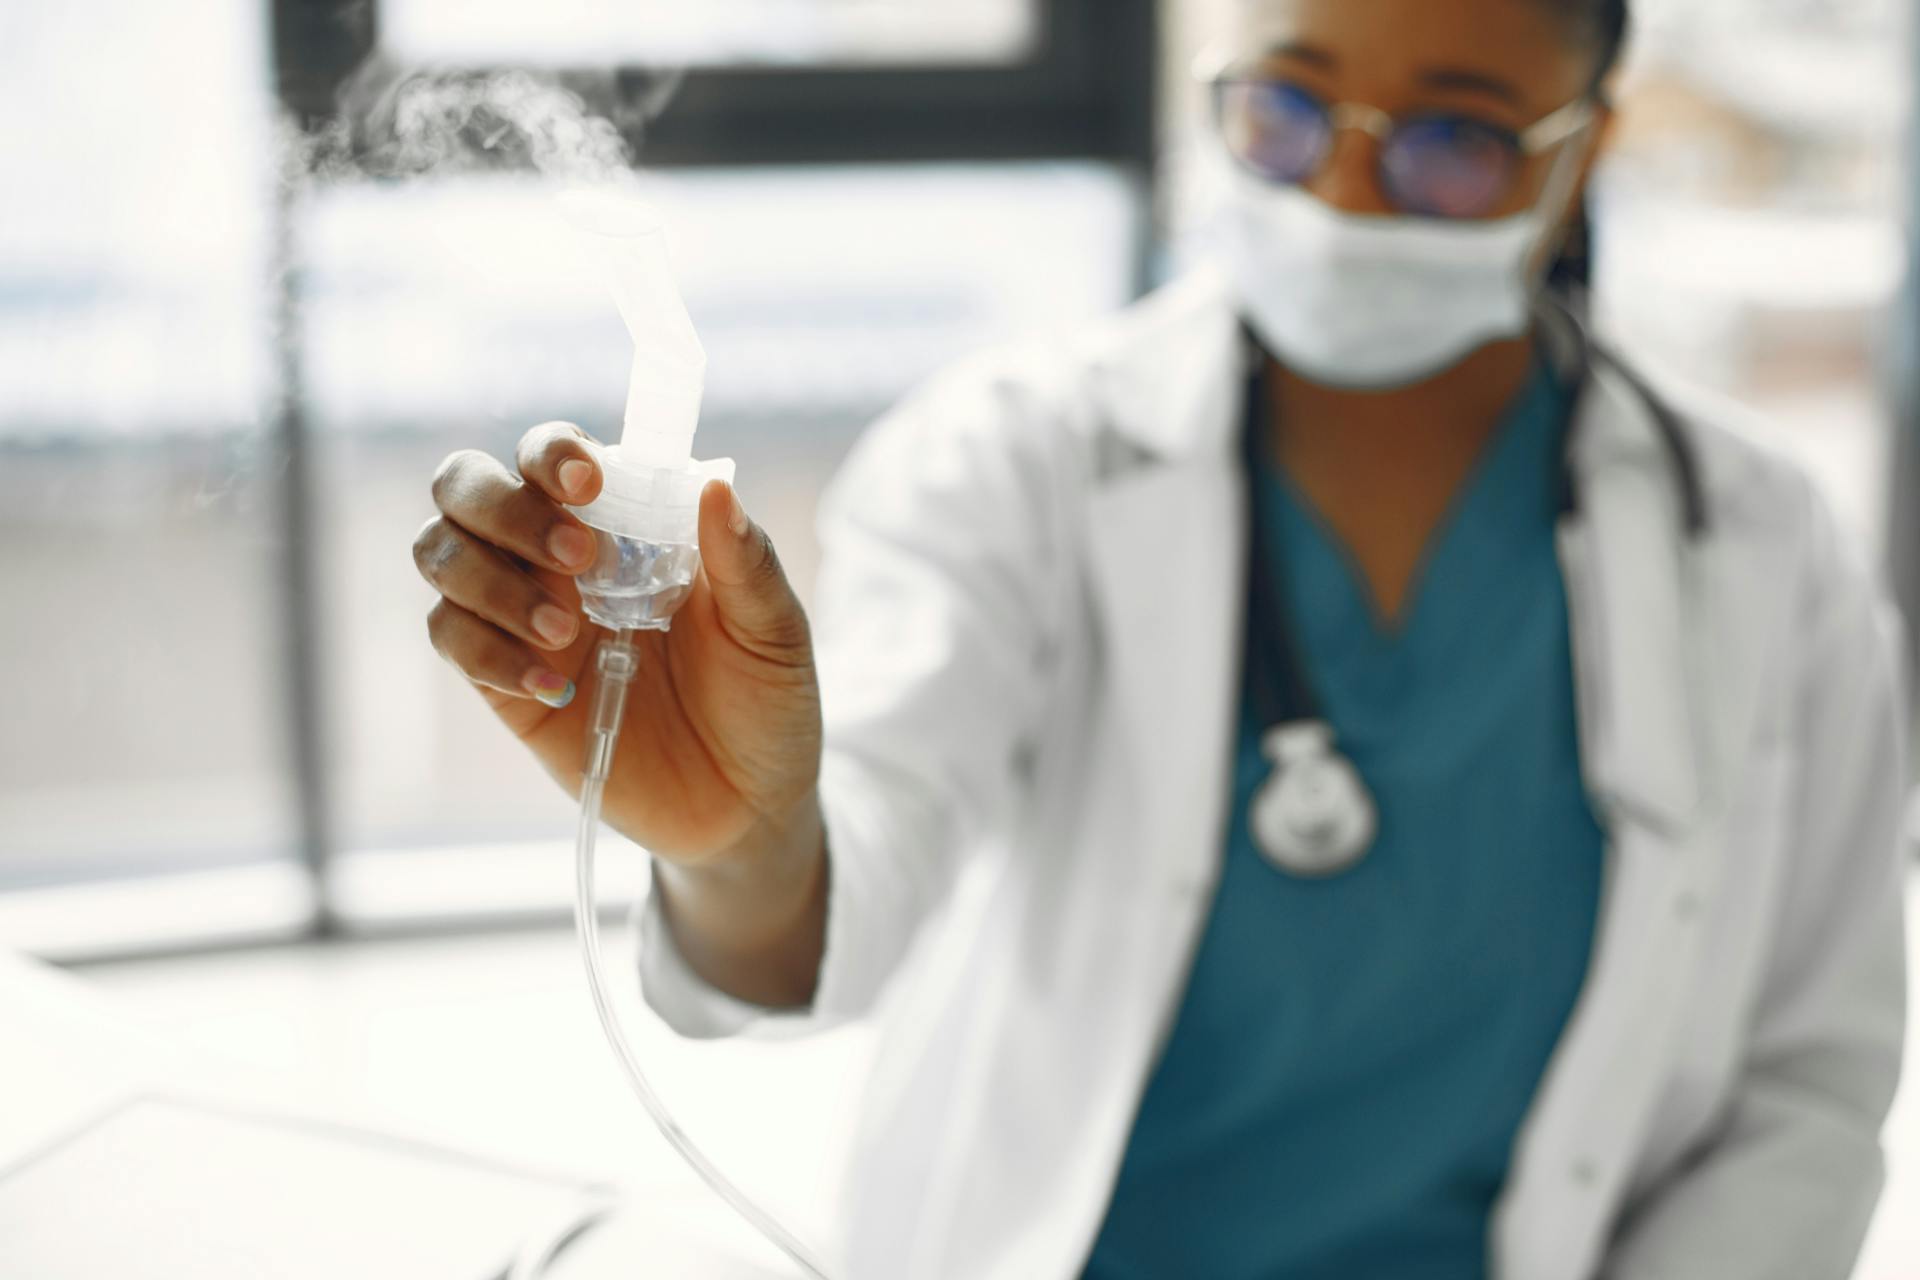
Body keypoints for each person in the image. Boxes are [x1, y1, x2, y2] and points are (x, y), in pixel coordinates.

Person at [410, 0, 1910, 1275]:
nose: (1346, 196)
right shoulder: (1012, 460)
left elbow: (1814, 1083)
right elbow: (841, 893)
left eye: (1453, 141)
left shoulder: (1768, 552)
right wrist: (744, 839)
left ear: (1581, 153)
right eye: (1287, 112)